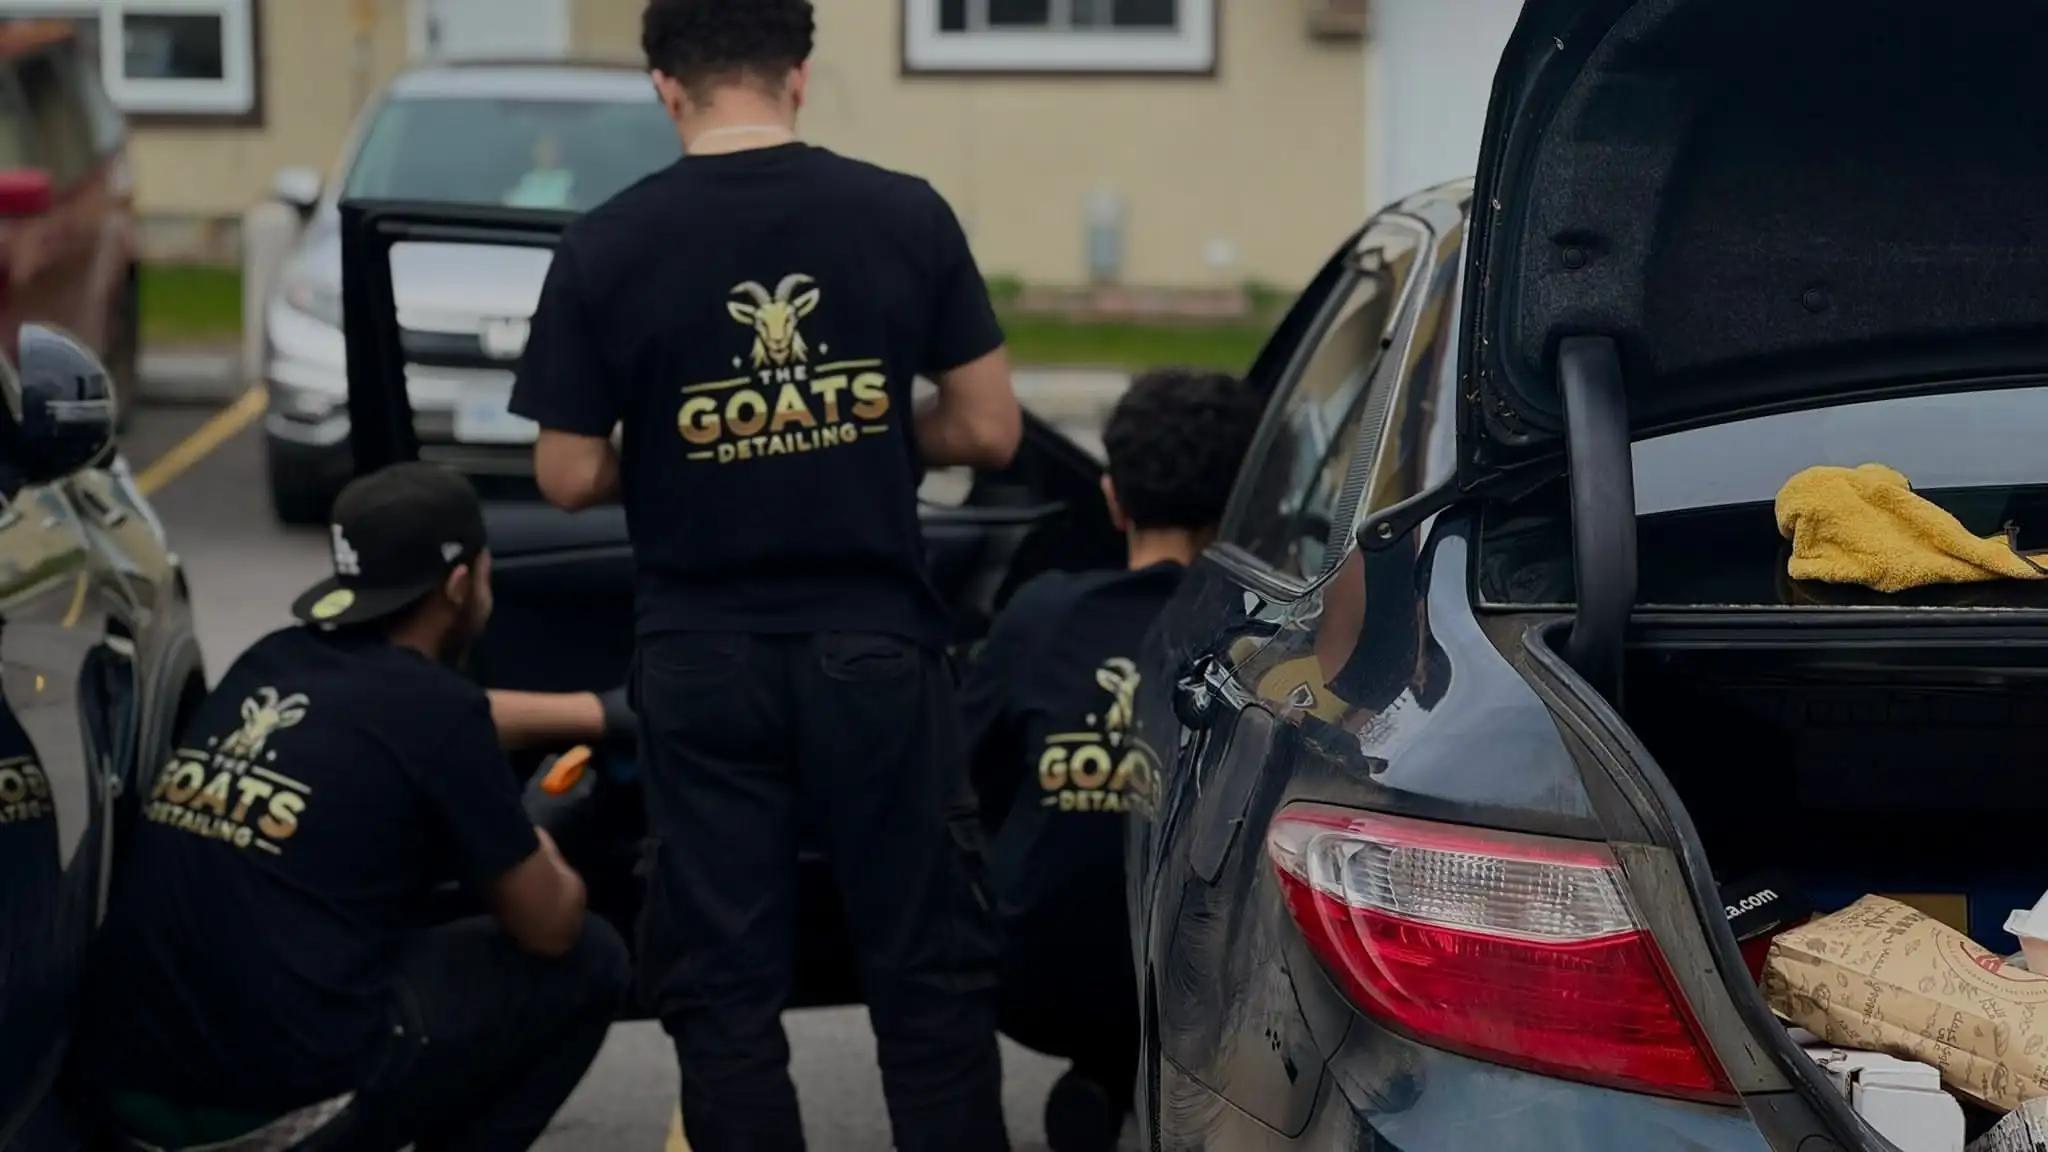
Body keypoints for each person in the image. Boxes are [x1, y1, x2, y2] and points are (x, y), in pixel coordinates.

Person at [504, 1, 1023, 1147]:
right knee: (928, 980)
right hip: (878, 651)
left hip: (698, 661)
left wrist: (687, 435)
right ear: (796, 74)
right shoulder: (901, 213)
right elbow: (988, 430)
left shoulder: (605, 243)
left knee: (722, 991)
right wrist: (872, 425)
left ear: (661, 86)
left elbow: (566, 474)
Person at [74, 463, 630, 1152]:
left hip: (129, 1097)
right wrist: (541, 833)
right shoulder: (438, 714)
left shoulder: (271, 664)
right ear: (460, 586)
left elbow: (423, 720)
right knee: (593, 961)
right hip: (277, 1114)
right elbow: (550, 927)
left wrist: (595, 716)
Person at [959, 369, 1264, 1152]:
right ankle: (1129, 1078)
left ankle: (1100, 1075)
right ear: (1245, 506)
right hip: (1199, 988)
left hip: (1033, 974)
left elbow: (962, 775)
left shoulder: (1041, 615)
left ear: (1112, 498)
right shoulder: (1263, 637)